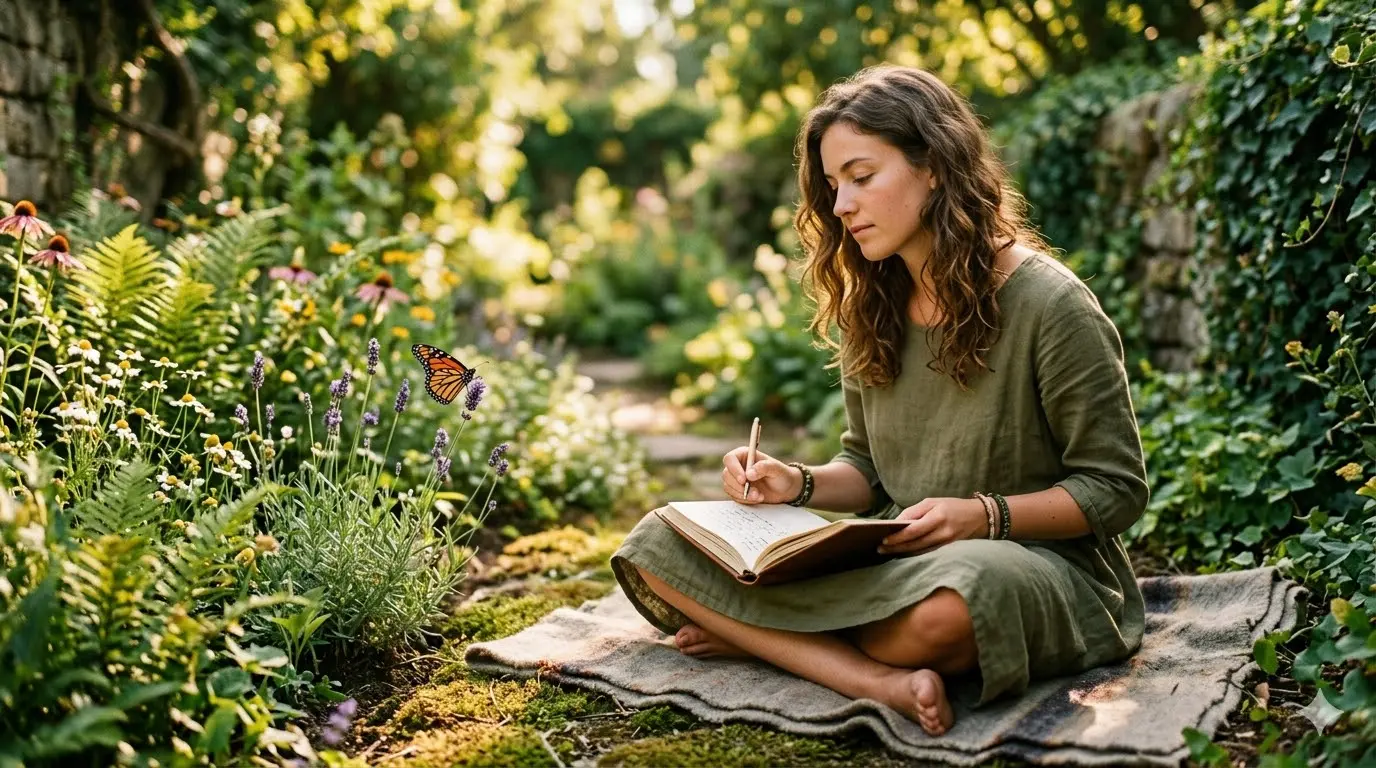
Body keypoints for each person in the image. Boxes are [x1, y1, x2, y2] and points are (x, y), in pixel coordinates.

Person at [609, 64, 1148, 737]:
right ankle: (871, 679)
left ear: (935, 166)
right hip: (893, 560)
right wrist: (795, 483)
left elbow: (1116, 489)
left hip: (1025, 563)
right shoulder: (875, 302)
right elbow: (867, 473)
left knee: (952, 610)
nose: (841, 207)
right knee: (656, 543)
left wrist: (982, 517)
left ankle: (763, 635)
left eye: (862, 178)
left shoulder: (1053, 305)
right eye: (833, 187)